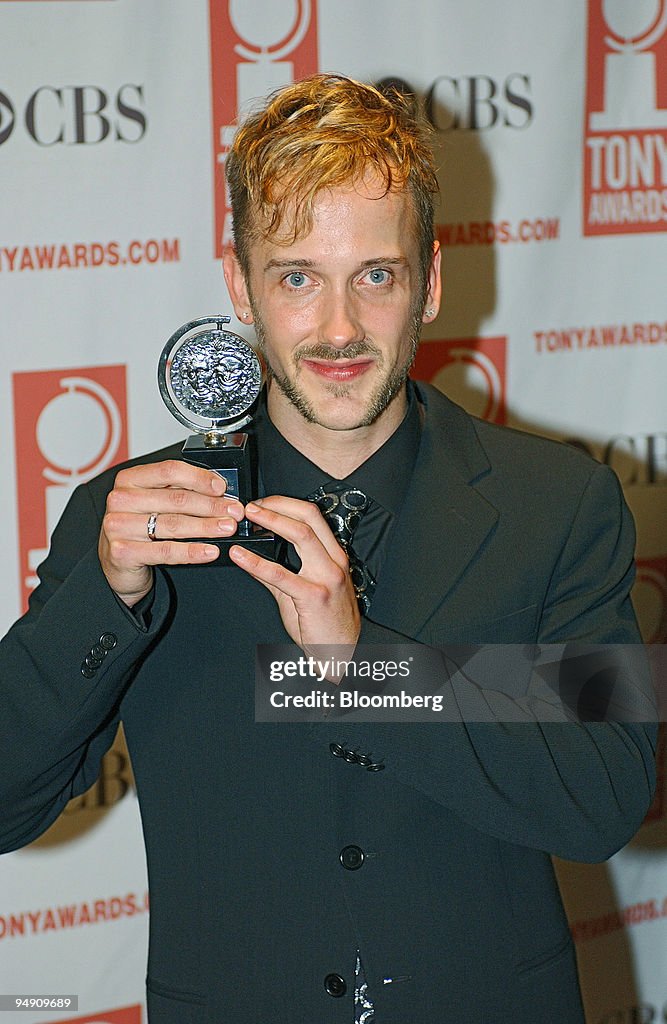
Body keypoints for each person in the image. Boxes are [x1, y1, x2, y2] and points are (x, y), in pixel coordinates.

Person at [0, 74, 657, 1024]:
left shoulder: (556, 505)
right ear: (240, 286)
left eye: (375, 276)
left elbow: (603, 798)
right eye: (297, 277)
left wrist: (363, 669)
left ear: (429, 280)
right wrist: (106, 597)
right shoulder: (133, 520)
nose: (339, 329)